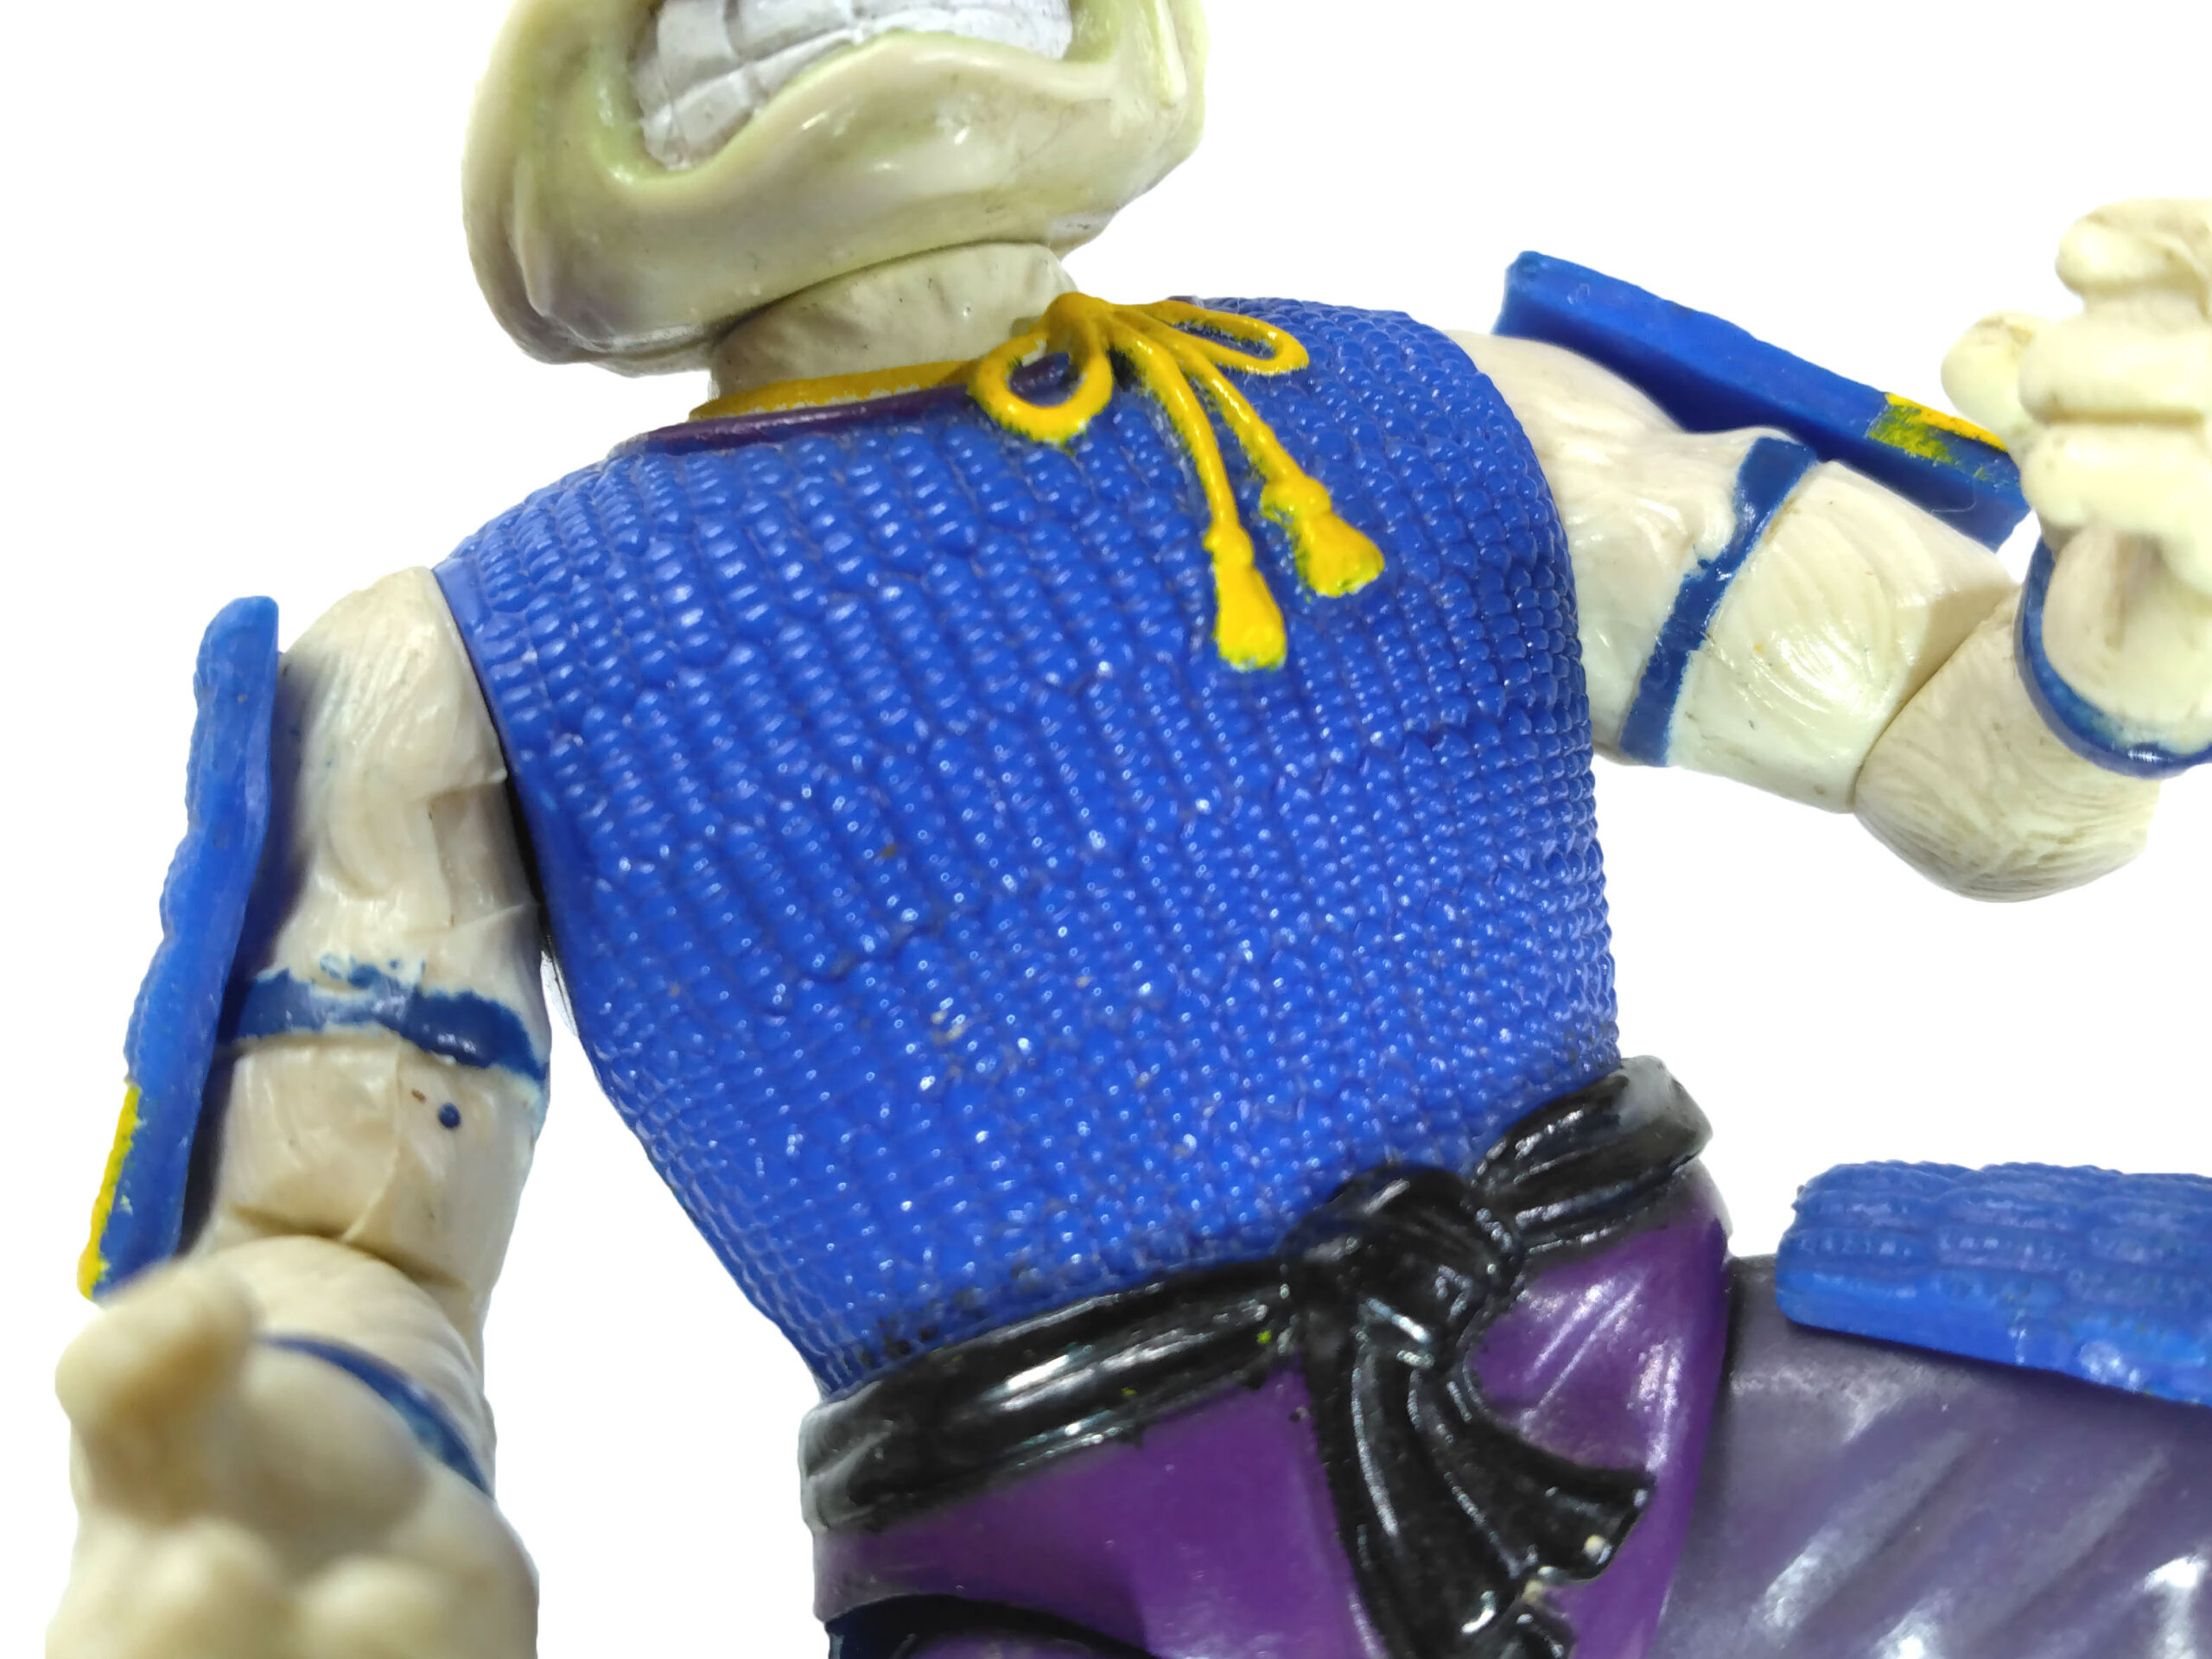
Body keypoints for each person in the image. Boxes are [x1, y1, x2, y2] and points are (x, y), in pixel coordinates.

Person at [47, 3, 2212, 1656]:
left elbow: (1971, 769)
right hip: (1050, 1573)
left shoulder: (1428, 415)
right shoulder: (465, 663)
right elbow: (341, 1238)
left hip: (1674, 1417)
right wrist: (308, 1475)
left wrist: (2127, 639)